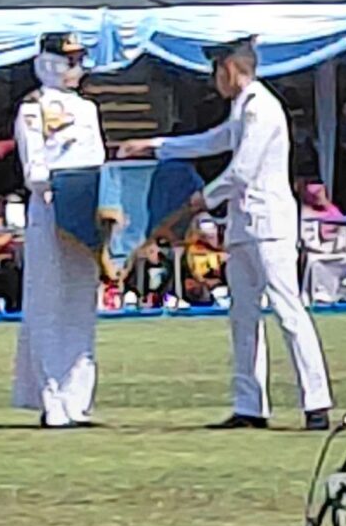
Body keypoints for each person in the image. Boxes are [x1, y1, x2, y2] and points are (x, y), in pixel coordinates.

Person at [123, 36, 333, 430]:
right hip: (243, 225)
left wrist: (198, 201)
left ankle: (316, 401)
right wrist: (154, 146)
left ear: (231, 69)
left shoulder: (262, 109)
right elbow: (210, 141)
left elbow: (242, 171)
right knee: (243, 315)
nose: (213, 80)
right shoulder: (242, 108)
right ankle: (250, 405)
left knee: (288, 310)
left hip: (269, 224)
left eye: (216, 70)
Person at [11, 32, 105, 428]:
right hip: (51, 208)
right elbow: (34, 168)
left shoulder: (87, 109)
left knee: (81, 303)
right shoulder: (33, 108)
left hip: (86, 209)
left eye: (80, 60)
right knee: (48, 302)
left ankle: (76, 397)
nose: (76, 68)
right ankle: (51, 398)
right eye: (69, 60)